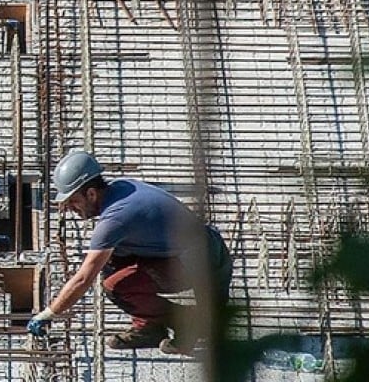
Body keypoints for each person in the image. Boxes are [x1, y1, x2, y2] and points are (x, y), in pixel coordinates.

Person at [26, 150, 233, 355]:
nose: (69, 208)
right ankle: (150, 328)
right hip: (205, 249)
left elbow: (83, 279)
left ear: (91, 194)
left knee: (115, 286)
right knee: (111, 260)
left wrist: (49, 313)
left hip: (203, 265)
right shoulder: (121, 187)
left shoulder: (114, 219)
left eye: (73, 201)